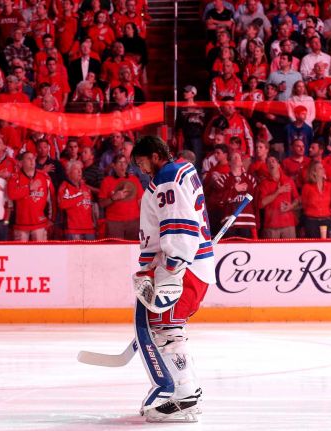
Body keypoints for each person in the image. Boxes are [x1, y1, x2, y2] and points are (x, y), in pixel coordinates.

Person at [130, 135, 214, 422]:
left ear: (155, 155)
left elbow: (179, 222)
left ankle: (185, 396)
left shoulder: (167, 177)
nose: (142, 170)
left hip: (182, 267)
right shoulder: (182, 169)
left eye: (142, 162)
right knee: (167, 328)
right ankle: (189, 390)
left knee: (165, 329)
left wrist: (172, 267)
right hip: (188, 264)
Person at [7, 152, 54, 241]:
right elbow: (11, 194)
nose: (32, 160)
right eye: (28, 158)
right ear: (21, 163)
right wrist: (29, 188)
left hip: (40, 223)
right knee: (21, 254)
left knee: (41, 253)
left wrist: (52, 219)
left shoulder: (44, 177)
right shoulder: (14, 177)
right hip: (20, 224)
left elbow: (52, 199)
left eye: (33, 158)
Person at [98, 154, 143, 240]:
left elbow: (140, 201)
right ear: (113, 166)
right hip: (114, 223)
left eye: (124, 163)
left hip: (134, 221)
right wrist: (113, 198)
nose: (123, 165)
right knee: (116, 251)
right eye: (119, 163)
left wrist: (143, 219)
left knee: (134, 250)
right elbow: (101, 204)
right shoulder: (106, 181)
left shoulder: (134, 179)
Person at [258, 155, 299, 238]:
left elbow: (297, 199)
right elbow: (261, 203)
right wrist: (278, 192)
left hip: (288, 225)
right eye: (268, 162)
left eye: (273, 161)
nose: (271, 163)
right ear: (267, 167)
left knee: (291, 251)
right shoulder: (264, 184)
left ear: (278, 165)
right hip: (271, 226)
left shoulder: (288, 181)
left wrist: (291, 206)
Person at [58, 160, 96, 240]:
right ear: (69, 172)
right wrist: (80, 197)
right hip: (73, 229)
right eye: (76, 169)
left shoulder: (85, 187)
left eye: (80, 169)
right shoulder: (64, 186)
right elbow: (62, 204)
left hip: (89, 229)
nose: (79, 172)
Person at [300, 160, 331, 238]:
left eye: (323, 168)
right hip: (312, 222)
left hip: (327, 221)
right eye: (320, 168)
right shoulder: (307, 187)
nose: (323, 170)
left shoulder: (330, 186)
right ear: (314, 172)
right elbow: (304, 205)